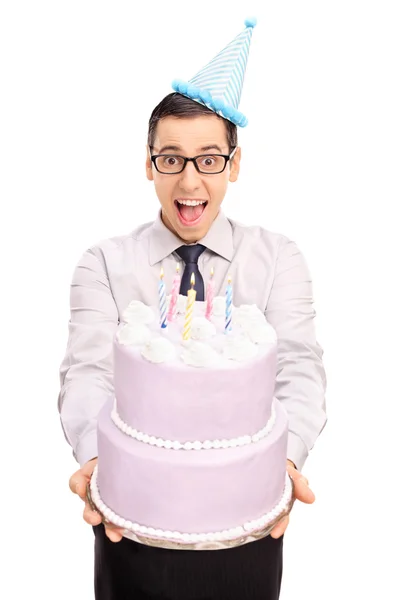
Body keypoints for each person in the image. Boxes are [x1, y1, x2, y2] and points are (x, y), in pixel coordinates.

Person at [59, 18, 327, 600]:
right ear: (149, 164)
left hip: (246, 528)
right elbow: (86, 373)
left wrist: (282, 461)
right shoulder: (104, 263)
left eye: (208, 159)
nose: (189, 180)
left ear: (233, 164)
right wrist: (100, 460)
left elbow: (300, 368)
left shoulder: (277, 257)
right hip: (130, 523)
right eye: (171, 158)